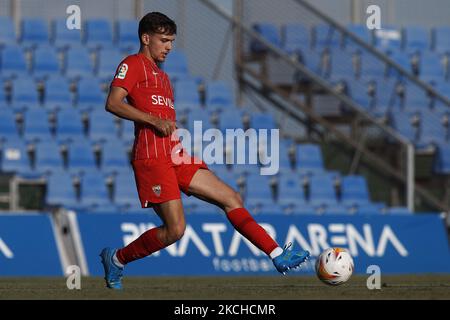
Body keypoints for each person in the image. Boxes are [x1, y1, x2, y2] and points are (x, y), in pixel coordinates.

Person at [100, 12, 310, 289]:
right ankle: (117, 259)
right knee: (175, 230)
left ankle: (277, 254)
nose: (169, 47)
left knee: (231, 197)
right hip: (152, 158)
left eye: (172, 41)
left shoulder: (162, 77)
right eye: (164, 40)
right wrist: (152, 120)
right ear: (145, 38)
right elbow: (113, 103)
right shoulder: (133, 64)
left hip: (175, 154)